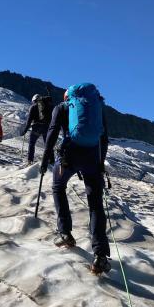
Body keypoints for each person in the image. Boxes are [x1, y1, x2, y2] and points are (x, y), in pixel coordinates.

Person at [40, 83, 111, 275]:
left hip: (68, 158)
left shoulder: (62, 107)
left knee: (58, 187)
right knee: (96, 204)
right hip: (92, 159)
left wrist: (45, 157)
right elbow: (104, 138)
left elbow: (53, 132)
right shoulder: (97, 108)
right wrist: (100, 162)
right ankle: (101, 256)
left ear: (68, 97)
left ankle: (65, 233)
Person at [22, 93, 54, 165]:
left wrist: (25, 130)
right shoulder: (48, 106)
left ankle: (30, 161)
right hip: (46, 128)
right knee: (48, 144)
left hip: (36, 128)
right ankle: (52, 161)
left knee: (32, 144)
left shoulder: (33, 107)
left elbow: (29, 121)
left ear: (34, 100)